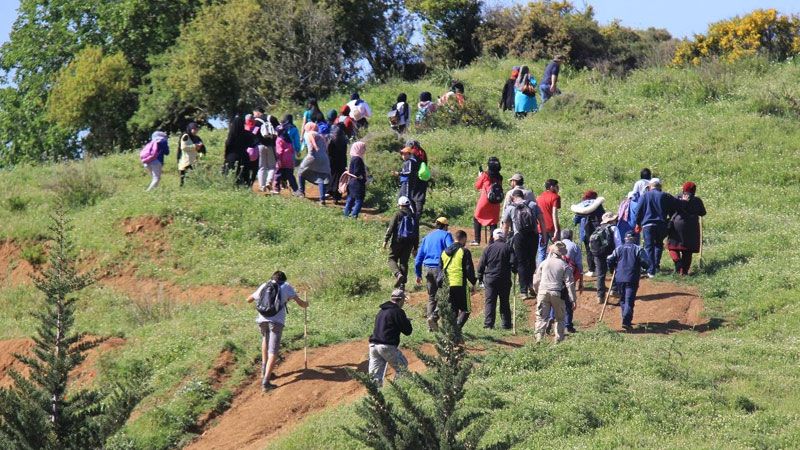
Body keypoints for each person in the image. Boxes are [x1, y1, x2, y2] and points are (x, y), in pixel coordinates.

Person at [246, 271, 309, 391]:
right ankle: (266, 382)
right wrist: (306, 304)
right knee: (273, 351)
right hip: (276, 322)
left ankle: (264, 371)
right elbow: (301, 303)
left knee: (265, 339)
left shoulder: (265, 285)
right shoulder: (286, 286)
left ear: (272, 278)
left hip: (262, 320)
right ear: (284, 279)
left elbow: (248, 299)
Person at [502, 189, 546, 298]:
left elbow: (506, 226)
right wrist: (544, 236)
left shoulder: (510, 208)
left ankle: (523, 291)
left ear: (513, 197)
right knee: (531, 260)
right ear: (523, 197)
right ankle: (531, 284)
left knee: (521, 262)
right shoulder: (533, 205)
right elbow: (542, 221)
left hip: (519, 236)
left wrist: (503, 240)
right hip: (533, 235)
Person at [532, 241, 577, 343]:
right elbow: (569, 283)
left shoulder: (543, 263)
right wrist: (573, 299)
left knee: (541, 317)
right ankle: (558, 339)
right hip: (557, 292)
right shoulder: (565, 265)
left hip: (543, 292)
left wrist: (537, 291)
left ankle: (539, 339)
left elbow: (536, 279)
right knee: (560, 318)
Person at [414, 217, 454, 331]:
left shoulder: (427, 237)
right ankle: (434, 316)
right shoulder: (446, 235)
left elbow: (419, 258)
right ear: (445, 226)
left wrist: (418, 274)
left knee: (432, 297)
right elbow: (450, 250)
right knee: (446, 296)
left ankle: (430, 327)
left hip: (427, 269)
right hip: (439, 268)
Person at [368, 288, 413, 387]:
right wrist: (406, 321)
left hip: (373, 346)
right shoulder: (398, 311)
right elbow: (407, 331)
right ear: (401, 300)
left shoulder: (381, 311)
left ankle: (375, 397)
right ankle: (398, 390)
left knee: (375, 375)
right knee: (402, 367)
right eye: (403, 301)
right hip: (386, 345)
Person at [635, 178, 679, 277]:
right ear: (660, 186)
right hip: (661, 224)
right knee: (658, 245)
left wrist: (638, 223)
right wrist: (670, 219)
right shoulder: (665, 196)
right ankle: (656, 266)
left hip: (648, 225)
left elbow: (638, 211)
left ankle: (651, 270)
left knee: (649, 246)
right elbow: (675, 206)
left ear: (650, 186)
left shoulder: (644, 196)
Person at [607, 232, 650, 330]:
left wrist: (612, 268)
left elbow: (609, 259)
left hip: (619, 278)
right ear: (634, 239)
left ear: (625, 239)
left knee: (622, 299)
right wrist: (644, 268)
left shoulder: (618, 249)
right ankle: (626, 321)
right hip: (632, 278)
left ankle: (625, 318)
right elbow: (645, 262)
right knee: (629, 300)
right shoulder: (638, 249)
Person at [478, 229, 516, 329]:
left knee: (490, 301)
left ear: (494, 237)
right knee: (504, 301)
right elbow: (513, 263)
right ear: (503, 237)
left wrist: (480, 277)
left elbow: (481, 264)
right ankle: (506, 324)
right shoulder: (508, 248)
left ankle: (488, 324)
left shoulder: (488, 249)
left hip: (491, 279)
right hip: (504, 279)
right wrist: (514, 270)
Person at [440, 230, 478, 329]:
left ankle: (450, 331)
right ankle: (456, 330)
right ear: (464, 238)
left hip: (447, 285)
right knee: (466, 309)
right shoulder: (464, 251)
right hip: (460, 284)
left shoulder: (444, 252)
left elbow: (440, 269)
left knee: (453, 310)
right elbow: (469, 269)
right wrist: (473, 283)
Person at [668, 182, 706, 276]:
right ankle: (684, 272)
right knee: (688, 250)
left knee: (672, 245)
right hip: (691, 226)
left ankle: (677, 261)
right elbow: (703, 213)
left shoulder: (677, 197)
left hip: (677, 224)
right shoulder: (697, 200)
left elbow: (671, 210)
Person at [548, 230, 583, 333]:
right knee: (568, 301)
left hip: (555, 276)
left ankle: (551, 316)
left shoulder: (555, 246)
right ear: (571, 236)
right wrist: (581, 282)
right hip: (568, 276)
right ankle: (568, 325)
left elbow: (548, 261)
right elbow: (579, 266)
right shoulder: (575, 246)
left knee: (555, 298)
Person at [384, 196, 417, 289]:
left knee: (391, 259)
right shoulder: (414, 216)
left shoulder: (397, 214)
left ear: (400, 205)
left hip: (397, 241)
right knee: (403, 262)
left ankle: (398, 274)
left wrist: (386, 240)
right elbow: (416, 232)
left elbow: (391, 228)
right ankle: (402, 285)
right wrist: (415, 247)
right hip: (409, 242)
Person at [297, 123, 332, 205]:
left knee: (300, 172)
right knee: (321, 178)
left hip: (312, 156)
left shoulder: (310, 133)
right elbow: (326, 148)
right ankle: (322, 199)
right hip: (324, 158)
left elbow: (310, 137)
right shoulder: (321, 136)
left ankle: (301, 192)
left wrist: (315, 146)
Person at [572, 190, 605, 276]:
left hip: (585, 232)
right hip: (597, 232)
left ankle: (591, 270)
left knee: (588, 250)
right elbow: (603, 216)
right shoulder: (598, 205)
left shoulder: (582, 205)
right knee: (598, 249)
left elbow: (576, 219)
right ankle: (600, 269)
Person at [472, 157, 503, 246]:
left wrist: (480, 176)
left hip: (484, 201)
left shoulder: (485, 175)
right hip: (496, 202)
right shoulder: (500, 177)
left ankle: (477, 240)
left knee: (477, 217)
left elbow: (477, 186)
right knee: (493, 222)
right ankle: (492, 242)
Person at [590, 212, 618, 303]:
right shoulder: (614, 228)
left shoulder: (598, 228)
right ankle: (614, 290)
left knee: (600, 274)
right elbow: (618, 243)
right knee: (614, 270)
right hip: (610, 253)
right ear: (612, 220)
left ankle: (600, 296)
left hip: (598, 254)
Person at [536, 179, 562, 265]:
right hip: (551, 227)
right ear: (551, 187)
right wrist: (557, 229)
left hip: (541, 227)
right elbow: (554, 213)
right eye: (556, 186)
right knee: (559, 249)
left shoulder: (539, 197)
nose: (557, 188)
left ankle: (540, 272)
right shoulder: (555, 197)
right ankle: (559, 269)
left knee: (541, 251)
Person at [327, 109, 348, 202]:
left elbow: (328, 147)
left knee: (333, 175)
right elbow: (345, 150)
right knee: (340, 177)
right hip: (341, 160)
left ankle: (331, 191)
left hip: (332, 159)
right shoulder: (343, 137)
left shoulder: (333, 135)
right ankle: (337, 196)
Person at [273, 121, 300, 195]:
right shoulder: (289, 139)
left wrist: (278, 160)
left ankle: (276, 189)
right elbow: (292, 149)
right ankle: (296, 190)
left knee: (278, 174)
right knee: (290, 175)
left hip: (282, 160)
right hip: (289, 160)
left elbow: (279, 151)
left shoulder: (279, 140)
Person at [223, 112, 250, 186]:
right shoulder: (247, 134)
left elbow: (228, 145)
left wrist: (226, 156)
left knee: (231, 174)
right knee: (243, 174)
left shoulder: (231, 135)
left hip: (232, 156)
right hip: (243, 156)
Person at [405, 140, 429, 218]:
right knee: (420, 195)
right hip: (423, 175)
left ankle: (415, 213)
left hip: (414, 176)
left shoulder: (412, 152)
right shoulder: (422, 152)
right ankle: (418, 213)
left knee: (412, 194)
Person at [343, 141, 367, 218]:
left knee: (350, 198)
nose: (364, 150)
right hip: (357, 183)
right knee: (359, 200)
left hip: (351, 182)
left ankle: (346, 214)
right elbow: (357, 172)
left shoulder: (353, 157)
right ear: (359, 149)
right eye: (363, 148)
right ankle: (354, 215)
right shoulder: (358, 159)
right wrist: (362, 177)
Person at [255, 115, 279, 193]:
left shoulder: (256, 121)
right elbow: (278, 130)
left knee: (261, 167)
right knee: (272, 166)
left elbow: (254, 133)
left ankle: (262, 187)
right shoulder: (271, 118)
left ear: (257, 112)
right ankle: (269, 181)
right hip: (271, 146)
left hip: (260, 146)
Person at [177, 123, 205, 187]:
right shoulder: (186, 136)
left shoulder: (196, 137)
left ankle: (191, 187)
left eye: (197, 130)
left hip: (193, 159)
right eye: (194, 129)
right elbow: (183, 147)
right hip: (186, 159)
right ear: (190, 129)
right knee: (184, 176)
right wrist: (195, 146)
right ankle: (183, 188)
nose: (196, 131)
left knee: (192, 175)